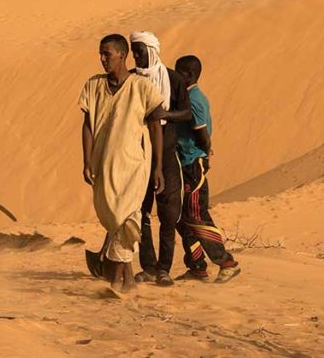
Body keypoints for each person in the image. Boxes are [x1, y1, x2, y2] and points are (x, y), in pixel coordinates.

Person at [80, 34, 165, 295]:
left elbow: (155, 126)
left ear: (122, 55)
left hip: (133, 165)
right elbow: (87, 125)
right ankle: (128, 280)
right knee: (113, 219)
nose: (103, 59)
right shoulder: (93, 85)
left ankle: (115, 280)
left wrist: (158, 167)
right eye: (101, 54)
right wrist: (86, 159)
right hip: (103, 165)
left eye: (108, 53)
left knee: (125, 218)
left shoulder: (142, 87)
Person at [130, 31, 191, 286]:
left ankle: (165, 268)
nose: (136, 56)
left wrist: (162, 115)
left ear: (151, 51)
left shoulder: (173, 79)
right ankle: (149, 267)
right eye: (134, 51)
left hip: (166, 151)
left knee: (168, 212)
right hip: (138, 151)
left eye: (140, 50)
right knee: (141, 211)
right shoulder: (131, 80)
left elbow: (187, 113)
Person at [174, 55, 241, 283]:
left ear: (189, 75)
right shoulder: (187, 97)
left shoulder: (194, 99)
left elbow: (203, 135)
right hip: (185, 163)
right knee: (182, 219)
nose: (175, 76)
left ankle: (226, 262)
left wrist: (204, 154)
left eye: (179, 72)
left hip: (193, 163)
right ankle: (197, 267)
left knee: (195, 215)